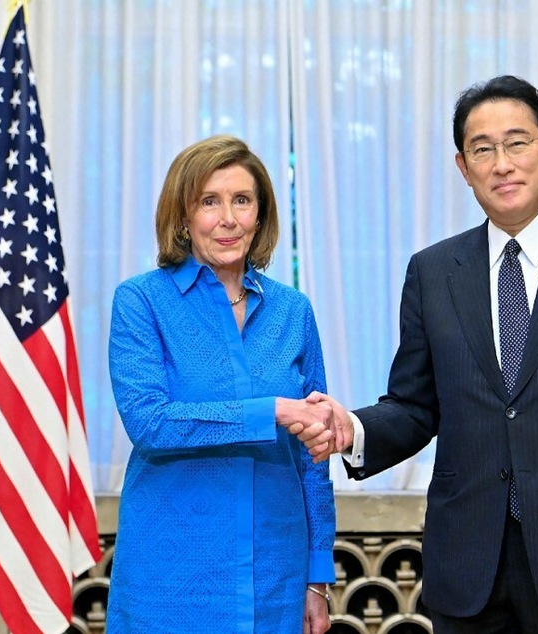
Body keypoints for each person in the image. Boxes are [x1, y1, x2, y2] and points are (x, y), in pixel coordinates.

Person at [305, 76, 538, 633]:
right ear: (463, 167)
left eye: (518, 142)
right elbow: (414, 404)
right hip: (467, 564)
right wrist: (350, 429)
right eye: (483, 149)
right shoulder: (433, 273)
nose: (502, 163)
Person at [106, 135, 336, 633]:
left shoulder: (293, 312)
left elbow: (314, 457)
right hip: (170, 576)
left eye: (242, 200)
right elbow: (150, 424)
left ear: (261, 213)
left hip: (277, 572)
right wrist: (272, 410)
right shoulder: (141, 301)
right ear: (183, 216)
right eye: (209, 201)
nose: (228, 218)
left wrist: (317, 578)